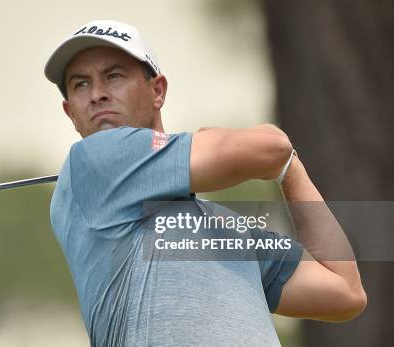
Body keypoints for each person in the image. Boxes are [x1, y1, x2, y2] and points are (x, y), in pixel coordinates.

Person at [44, 19, 366, 346]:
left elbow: (344, 292)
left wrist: (290, 169)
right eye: (81, 84)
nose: (97, 94)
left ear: (157, 90)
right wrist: (280, 150)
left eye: (113, 76)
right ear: (70, 112)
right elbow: (270, 147)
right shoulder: (94, 158)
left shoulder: (227, 227)